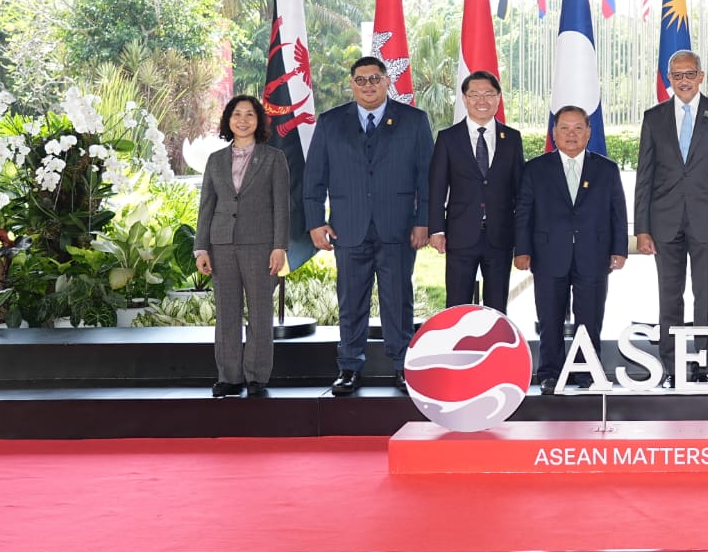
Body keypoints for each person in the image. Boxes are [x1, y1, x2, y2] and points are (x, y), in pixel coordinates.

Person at [303, 56, 433, 396]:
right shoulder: (331, 123)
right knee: (350, 301)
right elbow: (314, 178)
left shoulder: (414, 121)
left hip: (399, 228)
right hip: (348, 228)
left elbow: (426, 179)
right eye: (361, 80)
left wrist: (424, 222)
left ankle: (403, 367)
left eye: (375, 78)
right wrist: (316, 222)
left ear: (388, 81)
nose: (368, 85)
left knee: (398, 301)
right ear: (352, 84)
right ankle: (349, 367)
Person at [634, 49, 708, 387]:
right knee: (669, 297)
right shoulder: (654, 118)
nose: (683, 80)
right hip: (664, 222)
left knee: (705, 297)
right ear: (670, 78)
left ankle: (703, 364)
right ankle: (672, 365)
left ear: (701, 76)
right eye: (677, 75)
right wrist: (642, 229)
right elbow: (644, 177)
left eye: (689, 74)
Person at [514, 106, 628, 394]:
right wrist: (522, 250)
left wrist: (620, 249)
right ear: (554, 133)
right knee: (550, 318)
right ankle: (551, 373)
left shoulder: (606, 168)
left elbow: (617, 212)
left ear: (589, 133)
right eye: (564, 128)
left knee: (590, 317)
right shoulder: (536, 168)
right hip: (548, 254)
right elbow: (523, 213)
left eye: (578, 128)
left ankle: (586, 371)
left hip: (594, 253)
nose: (571, 134)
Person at [195, 94, 289, 398]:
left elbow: (281, 207)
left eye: (250, 115)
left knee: (260, 312)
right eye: (237, 114)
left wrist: (279, 246)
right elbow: (206, 206)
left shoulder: (274, 158)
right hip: (221, 245)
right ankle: (229, 376)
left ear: (259, 121)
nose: (243, 120)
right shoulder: (215, 160)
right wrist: (201, 248)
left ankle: (257, 376)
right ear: (228, 120)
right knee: (226, 313)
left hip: (261, 246)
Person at [428, 71, 524, 310]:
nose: (482, 101)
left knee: (497, 305)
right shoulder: (448, 138)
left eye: (489, 94)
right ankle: (457, 347)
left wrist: (522, 238)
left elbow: (521, 192)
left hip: (500, 236)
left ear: (498, 98)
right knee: (457, 305)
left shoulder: (512, 138)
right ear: (464, 99)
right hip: (460, 235)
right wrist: (436, 229)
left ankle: (496, 348)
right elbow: (437, 187)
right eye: (475, 95)